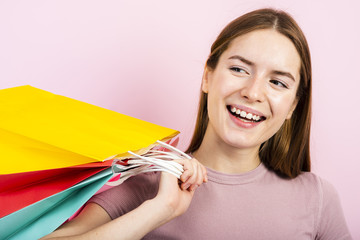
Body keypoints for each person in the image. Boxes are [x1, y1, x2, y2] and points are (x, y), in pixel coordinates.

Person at [42, 8, 352, 240]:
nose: (253, 92)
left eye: (278, 82)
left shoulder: (318, 199)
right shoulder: (148, 187)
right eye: (240, 69)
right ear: (208, 76)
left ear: (292, 107)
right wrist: (157, 211)